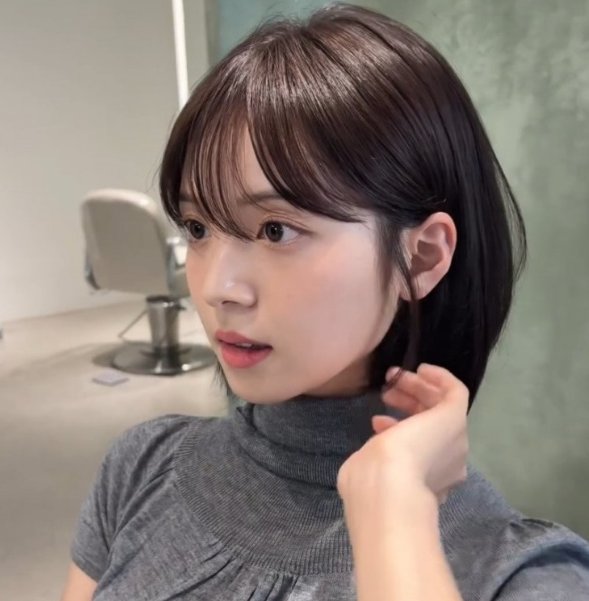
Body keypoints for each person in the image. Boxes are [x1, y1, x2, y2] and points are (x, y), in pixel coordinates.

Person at [61, 3, 589, 600]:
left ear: (421, 258)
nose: (214, 289)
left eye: (276, 230)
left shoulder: (525, 576)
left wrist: (392, 509)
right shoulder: (141, 467)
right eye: (198, 227)